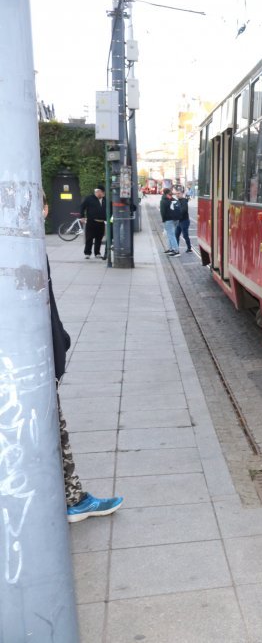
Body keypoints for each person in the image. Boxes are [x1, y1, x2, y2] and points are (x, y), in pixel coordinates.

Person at [43, 195, 124, 522]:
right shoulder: (24, 249)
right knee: (54, 432)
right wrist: (59, 343)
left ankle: (70, 496)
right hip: (32, 368)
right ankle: (72, 500)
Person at [79, 185, 107, 259]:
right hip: (91, 222)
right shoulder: (89, 198)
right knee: (89, 238)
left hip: (101, 222)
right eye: (102, 193)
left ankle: (97, 253)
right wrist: (82, 216)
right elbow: (82, 207)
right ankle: (87, 253)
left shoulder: (104, 199)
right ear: (98, 192)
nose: (103, 194)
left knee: (99, 238)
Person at [160, 188, 180, 255]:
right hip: (175, 219)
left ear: (164, 193)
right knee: (170, 234)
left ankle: (176, 251)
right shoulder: (173, 199)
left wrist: (163, 220)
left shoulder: (163, 201)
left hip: (168, 220)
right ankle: (170, 249)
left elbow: (162, 212)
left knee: (171, 235)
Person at [173, 189, 192, 253]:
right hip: (179, 221)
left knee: (185, 235)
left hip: (184, 221)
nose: (177, 195)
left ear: (182, 194)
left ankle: (189, 248)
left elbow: (183, 210)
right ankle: (176, 249)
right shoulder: (177, 201)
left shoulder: (184, 201)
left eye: (179, 193)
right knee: (176, 234)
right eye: (176, 193)